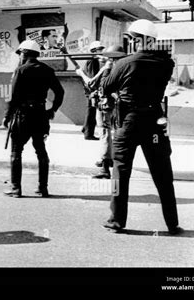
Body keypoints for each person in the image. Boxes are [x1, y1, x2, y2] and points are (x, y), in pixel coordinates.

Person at [100, 19, 183, 235]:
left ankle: (117, 220)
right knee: (163, 172)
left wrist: (109, 67)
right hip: (154, 120)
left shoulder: (126, 63)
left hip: (130, 121)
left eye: (133, 39)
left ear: (141, 39)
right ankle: (172, 223)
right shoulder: (166, 63)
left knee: (120, 170)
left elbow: (106, 87)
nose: (131, 43)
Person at [3, 39, 64, 198]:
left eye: (21, 53)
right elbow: (60, 92)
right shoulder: (47, 70)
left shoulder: (21, 70)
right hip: (40, 116)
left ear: (24, 53)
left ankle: (16, 189)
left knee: (16, 152)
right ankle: (43, 188)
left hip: (22, 116)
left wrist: (6, 117)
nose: (20, 57)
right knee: (41, 152)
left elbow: (13, 97)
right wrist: (53, 110)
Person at [86, 45, 127, 179]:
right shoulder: (124, 66)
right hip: (119, 105)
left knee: (104, 133)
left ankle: (104, 167)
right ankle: (110, 160)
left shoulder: (109, 67)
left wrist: (105, 67)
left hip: (106, 104)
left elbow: (98, 85)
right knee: (115, 133)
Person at [77, 40, 105, 140]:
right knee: (91, 111)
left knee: (91, 110)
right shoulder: (92, 61)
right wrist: (94, 90)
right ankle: (88, 133)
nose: (102, 51)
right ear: (93, 51)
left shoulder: (94, 61)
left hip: (90, 90)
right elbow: (91, 79)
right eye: (100, 49)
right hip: (91, 90)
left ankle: (86, 128)